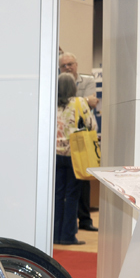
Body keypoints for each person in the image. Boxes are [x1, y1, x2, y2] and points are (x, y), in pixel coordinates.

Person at [54, 73, 97, 246]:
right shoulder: (80, 103)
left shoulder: (52, 104)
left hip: (56, 155)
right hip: (75, 155)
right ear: (73, 87)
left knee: (57, 195)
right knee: (72, 196)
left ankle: (55, 234)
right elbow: (92, 125)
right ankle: (68, 236)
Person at [59, 51, 99, 232]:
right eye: (64, 65)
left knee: (81, 183)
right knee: (68, 190)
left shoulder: (87, 80)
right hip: (69, 145)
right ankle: (68, 227)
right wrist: (84, 100)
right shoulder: (58, 81)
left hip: (77, 144)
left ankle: (84, 220)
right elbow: (88, 103)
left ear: (76, 65)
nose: (67, 67)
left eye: (70, 64)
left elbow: (94, 102)